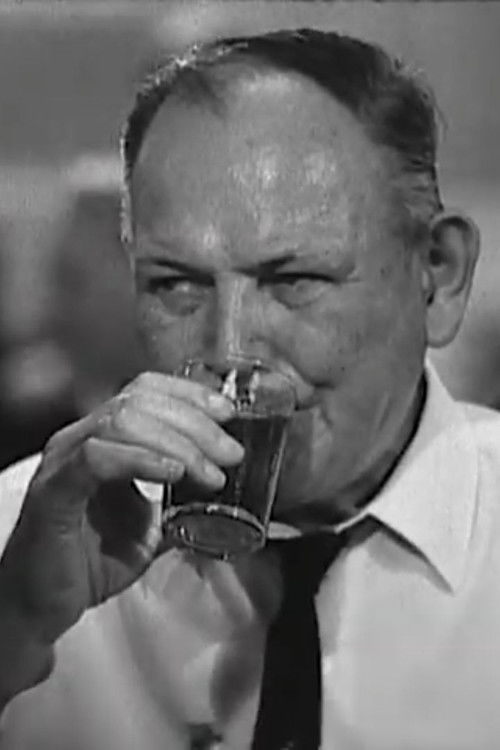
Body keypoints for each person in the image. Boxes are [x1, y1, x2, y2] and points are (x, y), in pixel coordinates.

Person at [0, 28, 497, 750]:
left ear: (440, 276)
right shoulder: (23, 538)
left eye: (294, 281)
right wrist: (11, 635)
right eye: (175, 285)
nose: (229, 352)